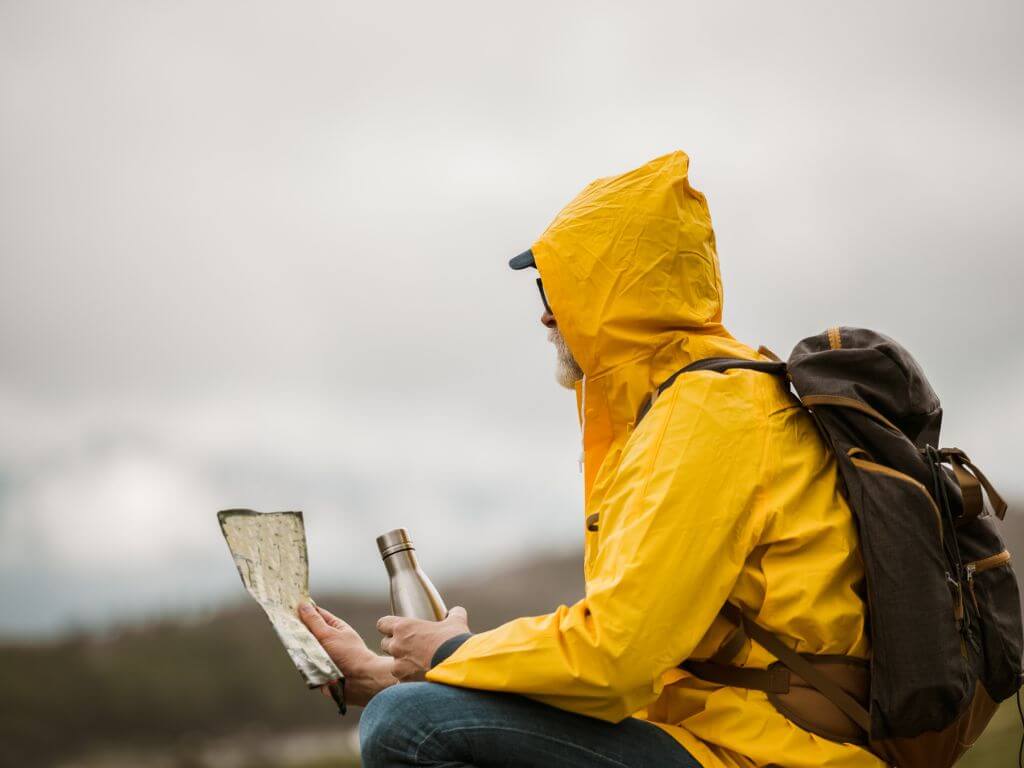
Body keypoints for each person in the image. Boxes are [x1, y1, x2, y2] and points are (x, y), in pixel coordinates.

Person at [299, 151, 885, 768]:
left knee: (407, 726)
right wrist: (410, 674)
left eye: (557, 289)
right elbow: (634, 658)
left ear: (612, 298)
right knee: (408, 706)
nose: (545, 313)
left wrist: (451, 655)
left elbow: (616, 657)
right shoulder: (691, 407)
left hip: (774, 755)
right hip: (721, 738)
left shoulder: (710, 417)